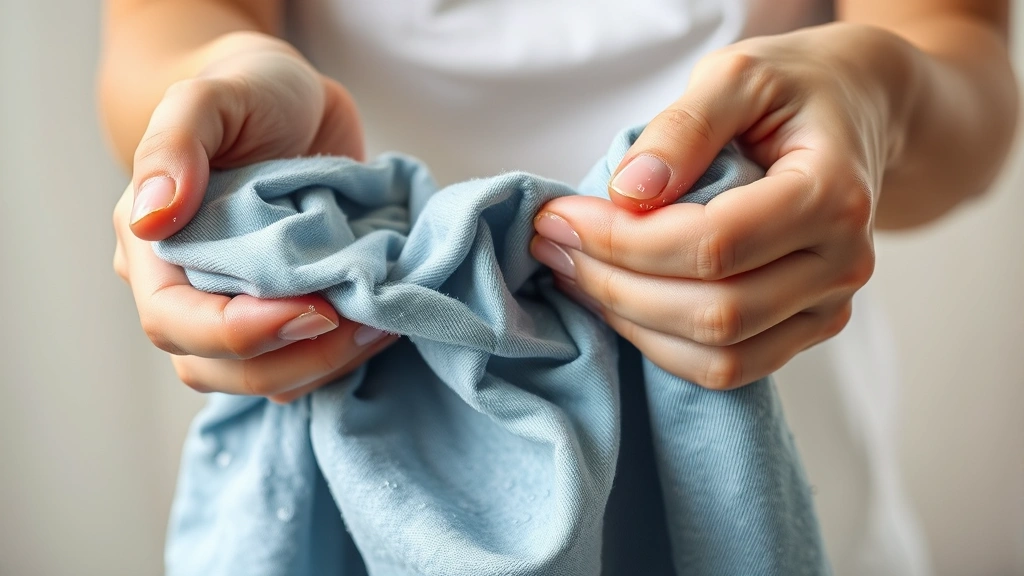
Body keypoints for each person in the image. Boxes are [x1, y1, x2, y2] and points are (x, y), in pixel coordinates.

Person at [99, 0, 1018, 574]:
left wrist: (870, 95)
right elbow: (162, 26)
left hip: (775, 393)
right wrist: (201, 112)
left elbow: (957, 50)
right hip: (338, 449)